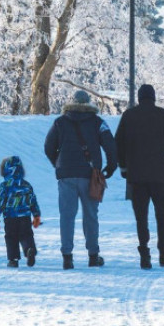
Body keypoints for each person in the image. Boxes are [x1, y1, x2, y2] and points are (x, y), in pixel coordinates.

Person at [43, 89, 117, 269]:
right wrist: (111, 166)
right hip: (90, 174)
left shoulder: (60, 122)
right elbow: (110, 145)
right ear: (89, 103)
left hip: (66, 174)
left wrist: (58, 163)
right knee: (90, 215)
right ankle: (93, 255)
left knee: (67, 216)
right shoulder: (98, 122)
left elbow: (48, 146)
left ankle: (67, 257)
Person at [115, 83, 164, 270]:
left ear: (138, 97)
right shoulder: (163, 115)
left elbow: (118, 142)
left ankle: (144, 254)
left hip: (136, 176)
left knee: (141, 217)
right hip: (159, 176)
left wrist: (124, 167)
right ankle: (163, 254)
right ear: (153, 97)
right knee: (162, 215)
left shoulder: (129, 116)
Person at [0, 156, 42, 267]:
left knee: (11, 237)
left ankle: (13, 259)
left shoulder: (4, 186)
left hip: (10, 217)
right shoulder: (26, 185)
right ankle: (29, 249)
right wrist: (36, 215)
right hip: (25, 216)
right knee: (26, 234)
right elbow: (33, 201)